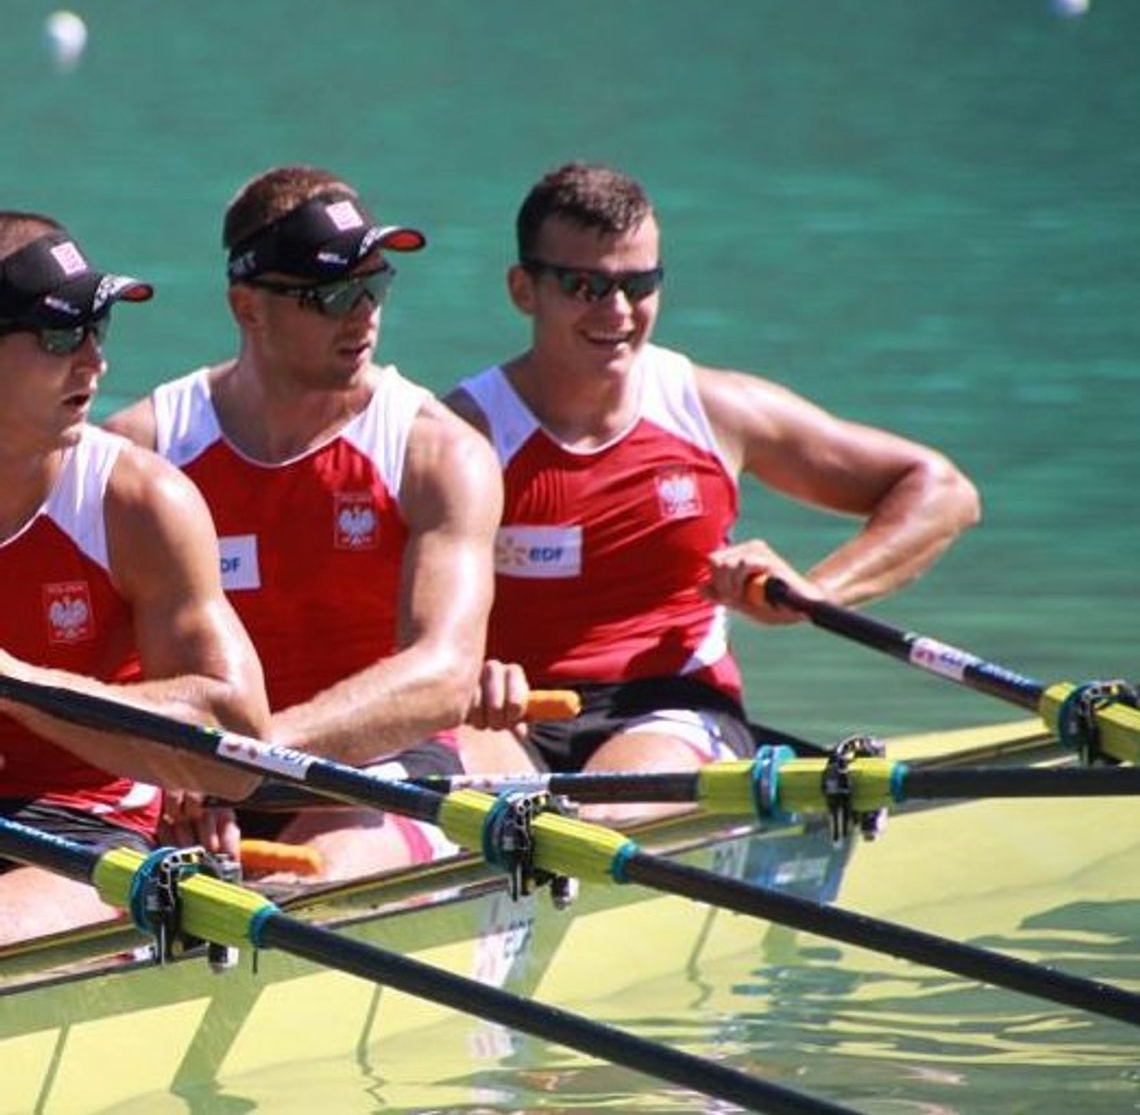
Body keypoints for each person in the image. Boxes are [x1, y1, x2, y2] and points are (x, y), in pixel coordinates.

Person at [445, 161, 981, 821]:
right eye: (584, 285)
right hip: (506, 712)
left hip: (670, 707)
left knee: (600, 815)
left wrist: (822, 589)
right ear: (524, 289)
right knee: (460, 802)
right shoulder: (461, 436)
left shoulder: (715, 411)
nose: (616, 311)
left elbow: (940, 488)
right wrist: (451, 669)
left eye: (638, 284)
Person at [106, 166, 525, 881]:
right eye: (331, 295)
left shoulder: (436, 451)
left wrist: (245, 750)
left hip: (376, 764)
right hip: (193, 782)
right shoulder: (146, 449)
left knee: (312, 874)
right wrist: (170, 760)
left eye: (375, 285)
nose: (363, 314)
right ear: (248, 307)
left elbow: (441, 675)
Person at [0, 212, 271, 943]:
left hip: (80, 827)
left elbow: (239, 744)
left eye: (99, 330)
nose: (95, 362)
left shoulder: (139, 504)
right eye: (62, 336)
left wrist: (18, 684)